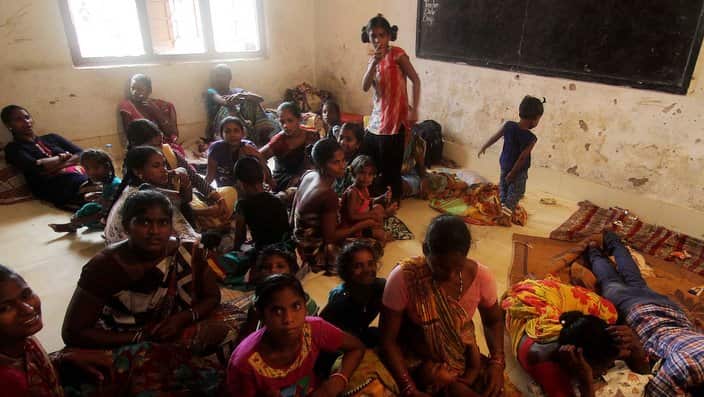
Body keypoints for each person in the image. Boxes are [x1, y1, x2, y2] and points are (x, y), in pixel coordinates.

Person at [63, 190, 239, 395]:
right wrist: (139, 336)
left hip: (172, 330)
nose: (154, 231)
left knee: (237, 328)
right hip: (121, 339)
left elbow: (212, 296)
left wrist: (182, 318)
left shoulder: (187, 252)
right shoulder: (104, 266)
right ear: (127, 225)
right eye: (144, 223)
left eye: (163, 223)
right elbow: (73, 332)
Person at [380, 215, 503, 397]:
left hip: (462, 355)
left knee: (497, 388)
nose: (451, 275)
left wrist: (497, 362)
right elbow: (387, 340)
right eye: (441, 267)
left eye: (458, 267)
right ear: (425, 250)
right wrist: (408, 388)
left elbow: (493, 321)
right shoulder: (405, 278)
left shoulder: (482, 278)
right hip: (418, 359)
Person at [586, 232, 704, 396]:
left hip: (671, 310)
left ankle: (612, 239)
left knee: (635, 279)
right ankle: (593, 250)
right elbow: (656, 390)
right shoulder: (690, 366)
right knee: (610, 282)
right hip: (640, 314)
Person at [226, 273, 365, 397]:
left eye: (296, 307)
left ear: (305, 307)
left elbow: (356, 347)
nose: (288, 319)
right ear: (262, 315)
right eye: (277, 311)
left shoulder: (314, 329)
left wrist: (338, 380)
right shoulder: (244, 364)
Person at [502, 277, 637, 397]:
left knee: (612, 313)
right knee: (612, 314)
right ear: (576, 359)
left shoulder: (570, 335)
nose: (605, 371)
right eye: (601, 368)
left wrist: (635, 345)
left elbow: (622, 353)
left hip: (542, 297)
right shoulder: (544, 364)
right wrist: (586, 382)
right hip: (531, 294)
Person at [0, 263, 112, 396]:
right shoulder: (8, 382)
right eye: (4, 308)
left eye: (26, 295)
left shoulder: (23, 342)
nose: (28, 309)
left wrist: (61, 358)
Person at [126, 119, 233, 230]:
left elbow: (194, 179)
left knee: (229, 193)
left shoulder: (168, 153)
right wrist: (203, 212)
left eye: (161, 143)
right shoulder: (136, 182)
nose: (160, 149)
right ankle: (207, 224)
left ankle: (209, 221)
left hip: (182, 201)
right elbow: (169, 208)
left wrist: (219, 199)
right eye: (154, 146)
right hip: (169, 211)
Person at [292, 139, 380, 274]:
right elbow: (330, 237)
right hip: (313, 248)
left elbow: (295, 209)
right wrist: (360, 225)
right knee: (373, 248)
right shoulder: (328, 194)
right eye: (335, 162)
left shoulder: (310, 174)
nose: (343, 166)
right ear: (321, 165)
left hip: (298, 235)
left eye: (343, 160)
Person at [361, 14, 421, 203]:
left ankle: (393, 200)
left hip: (395, 120)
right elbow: (364, 86)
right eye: (374, 36)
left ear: (389, 36)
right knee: (369, 160)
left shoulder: (398, 54)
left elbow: (415, 79)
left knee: (391, 167)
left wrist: (415, 108)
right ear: (368, 38)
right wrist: (373, 64)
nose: (378, 40)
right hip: (377, 120)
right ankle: (371, 198)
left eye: (382, 35)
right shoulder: (373, 59)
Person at [104, 146, 198, 244]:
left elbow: (184, 199)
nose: (164, 170)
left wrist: (185, 182)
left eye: (164, 165)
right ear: (138, 172)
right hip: (131, 252)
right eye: (156, 166)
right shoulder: (144, 197)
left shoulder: (137, 187)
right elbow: (189, 238)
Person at [2, 105, 90, 209]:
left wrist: (54, 165)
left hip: (75, 176)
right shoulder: (13, 148)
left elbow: (81, 153)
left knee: (100, 178)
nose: (26, 121)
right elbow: (36, 167)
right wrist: (61, 158)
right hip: (48, 186)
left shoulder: (52, 138)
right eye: (18, 119)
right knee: (85, 184)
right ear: (9, 125)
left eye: (27, 117)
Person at [478, 95, 543, 219]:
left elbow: (495, 137)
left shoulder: (509, 125)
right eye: (539, 119)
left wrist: (485, 146)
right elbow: (522, 158)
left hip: (504, 164)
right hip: (518, 170)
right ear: (534, 119)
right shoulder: (531, 138)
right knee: (516, 192)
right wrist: (513, 173)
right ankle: (506, 217)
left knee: (504, 188)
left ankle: (501, 209)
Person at [321, 240, 386, 347]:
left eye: (370, 264)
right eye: (358, 266)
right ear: (346, 271)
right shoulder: (340, 300)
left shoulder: (380, 287)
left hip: (359, 333)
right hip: (339, 344)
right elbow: (324, 332)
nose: (366, 270)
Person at [49, 149, 121, 233]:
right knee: (89, 206)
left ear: (107, 166)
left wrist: (81, 220)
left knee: (90, 209)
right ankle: (72, 225)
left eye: (96, 168)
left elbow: (104, 213)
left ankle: (72, 226)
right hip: (108, 212)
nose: (91, 172)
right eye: (87, 169)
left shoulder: (114, 185)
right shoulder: (109, 181)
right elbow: (110, 198)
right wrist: (99, 195)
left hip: (112, 219)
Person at [205, 64, 277, 146]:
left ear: (229, 77)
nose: (220, 79)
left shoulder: (237, 91)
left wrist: (242, 95)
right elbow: (225, 102)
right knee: (229, 107)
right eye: (217, 76)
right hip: (222, 126)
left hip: (242, 121)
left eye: (223, 76)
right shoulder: (211, 91)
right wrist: (238, 98)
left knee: (251, 101)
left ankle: (263, 137)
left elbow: (260, 99)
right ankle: (240, 136)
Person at [118, 73, 185, 157]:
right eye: (133, 88)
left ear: (149, 91)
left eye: (140, 89)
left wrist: (156, 111)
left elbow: (172, 134)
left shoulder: (161, 106)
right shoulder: (127, 106)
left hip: (164, 146)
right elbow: (130, 136)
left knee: (175, 156)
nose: (135, 92)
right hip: (142, 149)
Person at [232, 156, 290, 252]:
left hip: (264, 253)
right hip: (284, 249)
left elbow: (240, 236)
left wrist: (235, 251)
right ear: (263, 177)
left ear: (240, 183)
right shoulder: (277, 200)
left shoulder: (242, 205)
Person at [259, 102, 318, 193]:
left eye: (290, 121)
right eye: (282, 122)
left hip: (305, 173)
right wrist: (269, 179)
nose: (285, 126)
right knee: (304, 184)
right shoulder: (279, 141)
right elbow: (258, 156)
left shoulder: (310, 135)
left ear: (299, 119)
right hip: (284, 177)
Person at [340, 155, 397, 244]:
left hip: (362, 221)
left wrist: (381, 197)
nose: (366, 177)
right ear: (354, 173)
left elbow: (367, 201)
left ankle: (377, 230)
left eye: (370, 174)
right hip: (353, 227)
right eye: (362, 173)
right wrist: (370, 215)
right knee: (380, 234)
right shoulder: (353, 192)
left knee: (378, 208)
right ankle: (378, 237)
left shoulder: (364, 188)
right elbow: (351, 216)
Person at [205, 116, 267, 188]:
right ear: (222, 135)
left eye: (236, 130)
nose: (232, 135)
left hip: (247, 189)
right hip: (226, 190)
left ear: (243, 133)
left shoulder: (249, 147)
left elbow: (262, 170)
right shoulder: (215, 149)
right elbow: (210, 176)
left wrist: (257, 154)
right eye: (227, 131)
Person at [333, 122, 364, 196]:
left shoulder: (357, 165)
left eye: (349, 139)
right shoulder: (334, 156)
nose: (342, 142)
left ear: (358, 144)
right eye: (341, 137)